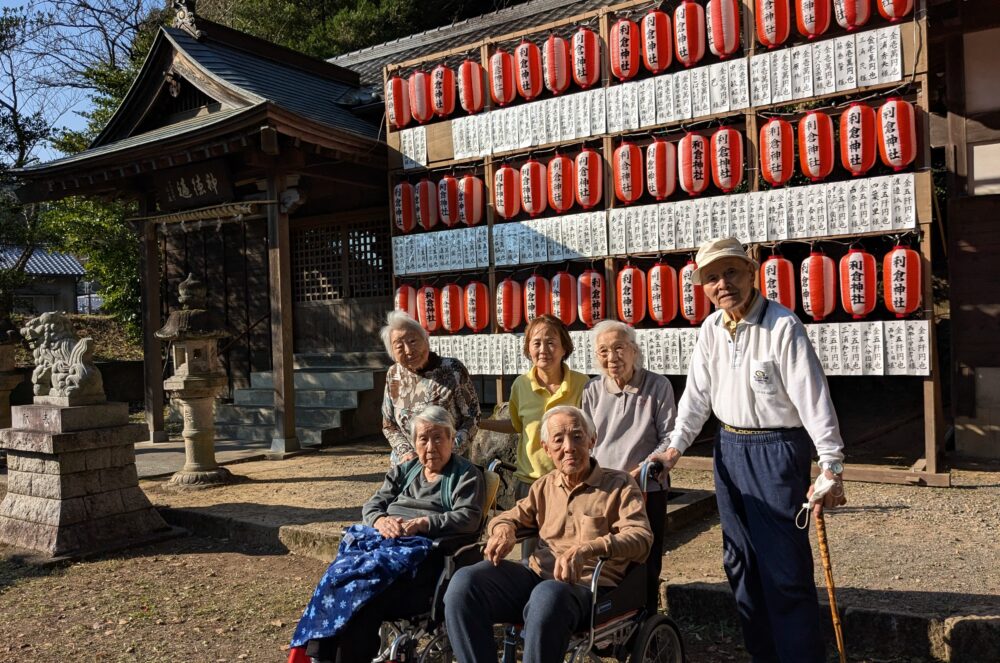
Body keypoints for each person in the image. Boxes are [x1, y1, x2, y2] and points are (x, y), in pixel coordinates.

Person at [648, 237, 848, 663]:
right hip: (729, 449)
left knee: (784, 570)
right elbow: (696, 399)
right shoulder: (710, 330)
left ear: (751, 271)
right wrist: (673, 450)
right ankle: (764, 654)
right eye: (712, 278)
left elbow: (814, 398)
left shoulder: (782, 326)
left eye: (731, 272)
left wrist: (830, 464)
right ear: (703, 287)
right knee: (740, 564)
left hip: (777, 451)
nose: (724, 284)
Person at [445, 406, 652, 663]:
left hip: (588, 588)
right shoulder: (544, 486)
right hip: (537, 577)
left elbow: (641, 538)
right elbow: (508, 516)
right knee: (464, 583)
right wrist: (504, 530)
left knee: (547, 596)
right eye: (558, 439)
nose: (569, 447)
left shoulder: (619, 485)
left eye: (577, 436)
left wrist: (590, 548)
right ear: (546, 448)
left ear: (592, 440)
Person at [290, 406, 484, 663]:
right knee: (338, 575)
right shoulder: (406, 471)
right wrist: (380, 520)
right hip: (383, 542)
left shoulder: (465, 475)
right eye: (423, 439)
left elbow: (468, 518)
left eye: (439, 437)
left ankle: (338, 657)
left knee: (365, 589)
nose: (430, 446)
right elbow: (372, 505)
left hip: (421, 556)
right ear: (414, 442)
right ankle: (318, 655)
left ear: (451, 439)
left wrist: (423, 523)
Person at [581, 319, 676, 611]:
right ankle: (610, 616)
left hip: (644, 486)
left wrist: (644, 468)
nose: (612, 358)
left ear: (634, 350)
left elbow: (671, 437)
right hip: (603, 489)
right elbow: (586, 440)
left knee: (644, 556)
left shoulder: (657, 385)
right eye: (604, 351)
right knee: (605, 557)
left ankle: (645, 615)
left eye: (619, 348)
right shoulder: (592, 390)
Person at [478, 314, 588, 500]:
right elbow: (517, 425)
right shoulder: (521, 385)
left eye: (551, 342)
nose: (543, 350)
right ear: (528, 349)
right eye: (536, 343)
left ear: (564, 348)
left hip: (572, 481)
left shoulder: (583, 384)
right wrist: (480, 423)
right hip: (529, 483)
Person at [381, 310, 480, 464]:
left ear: (426, 340)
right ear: (392, 353)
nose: (408, 350)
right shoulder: (393, 374)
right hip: (407, 463)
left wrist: (446, 451)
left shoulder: (453, 369)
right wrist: (406, 453)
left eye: (413, 341)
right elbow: (389, 424)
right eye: (399, 346)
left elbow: (472, 417)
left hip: (449, 461)